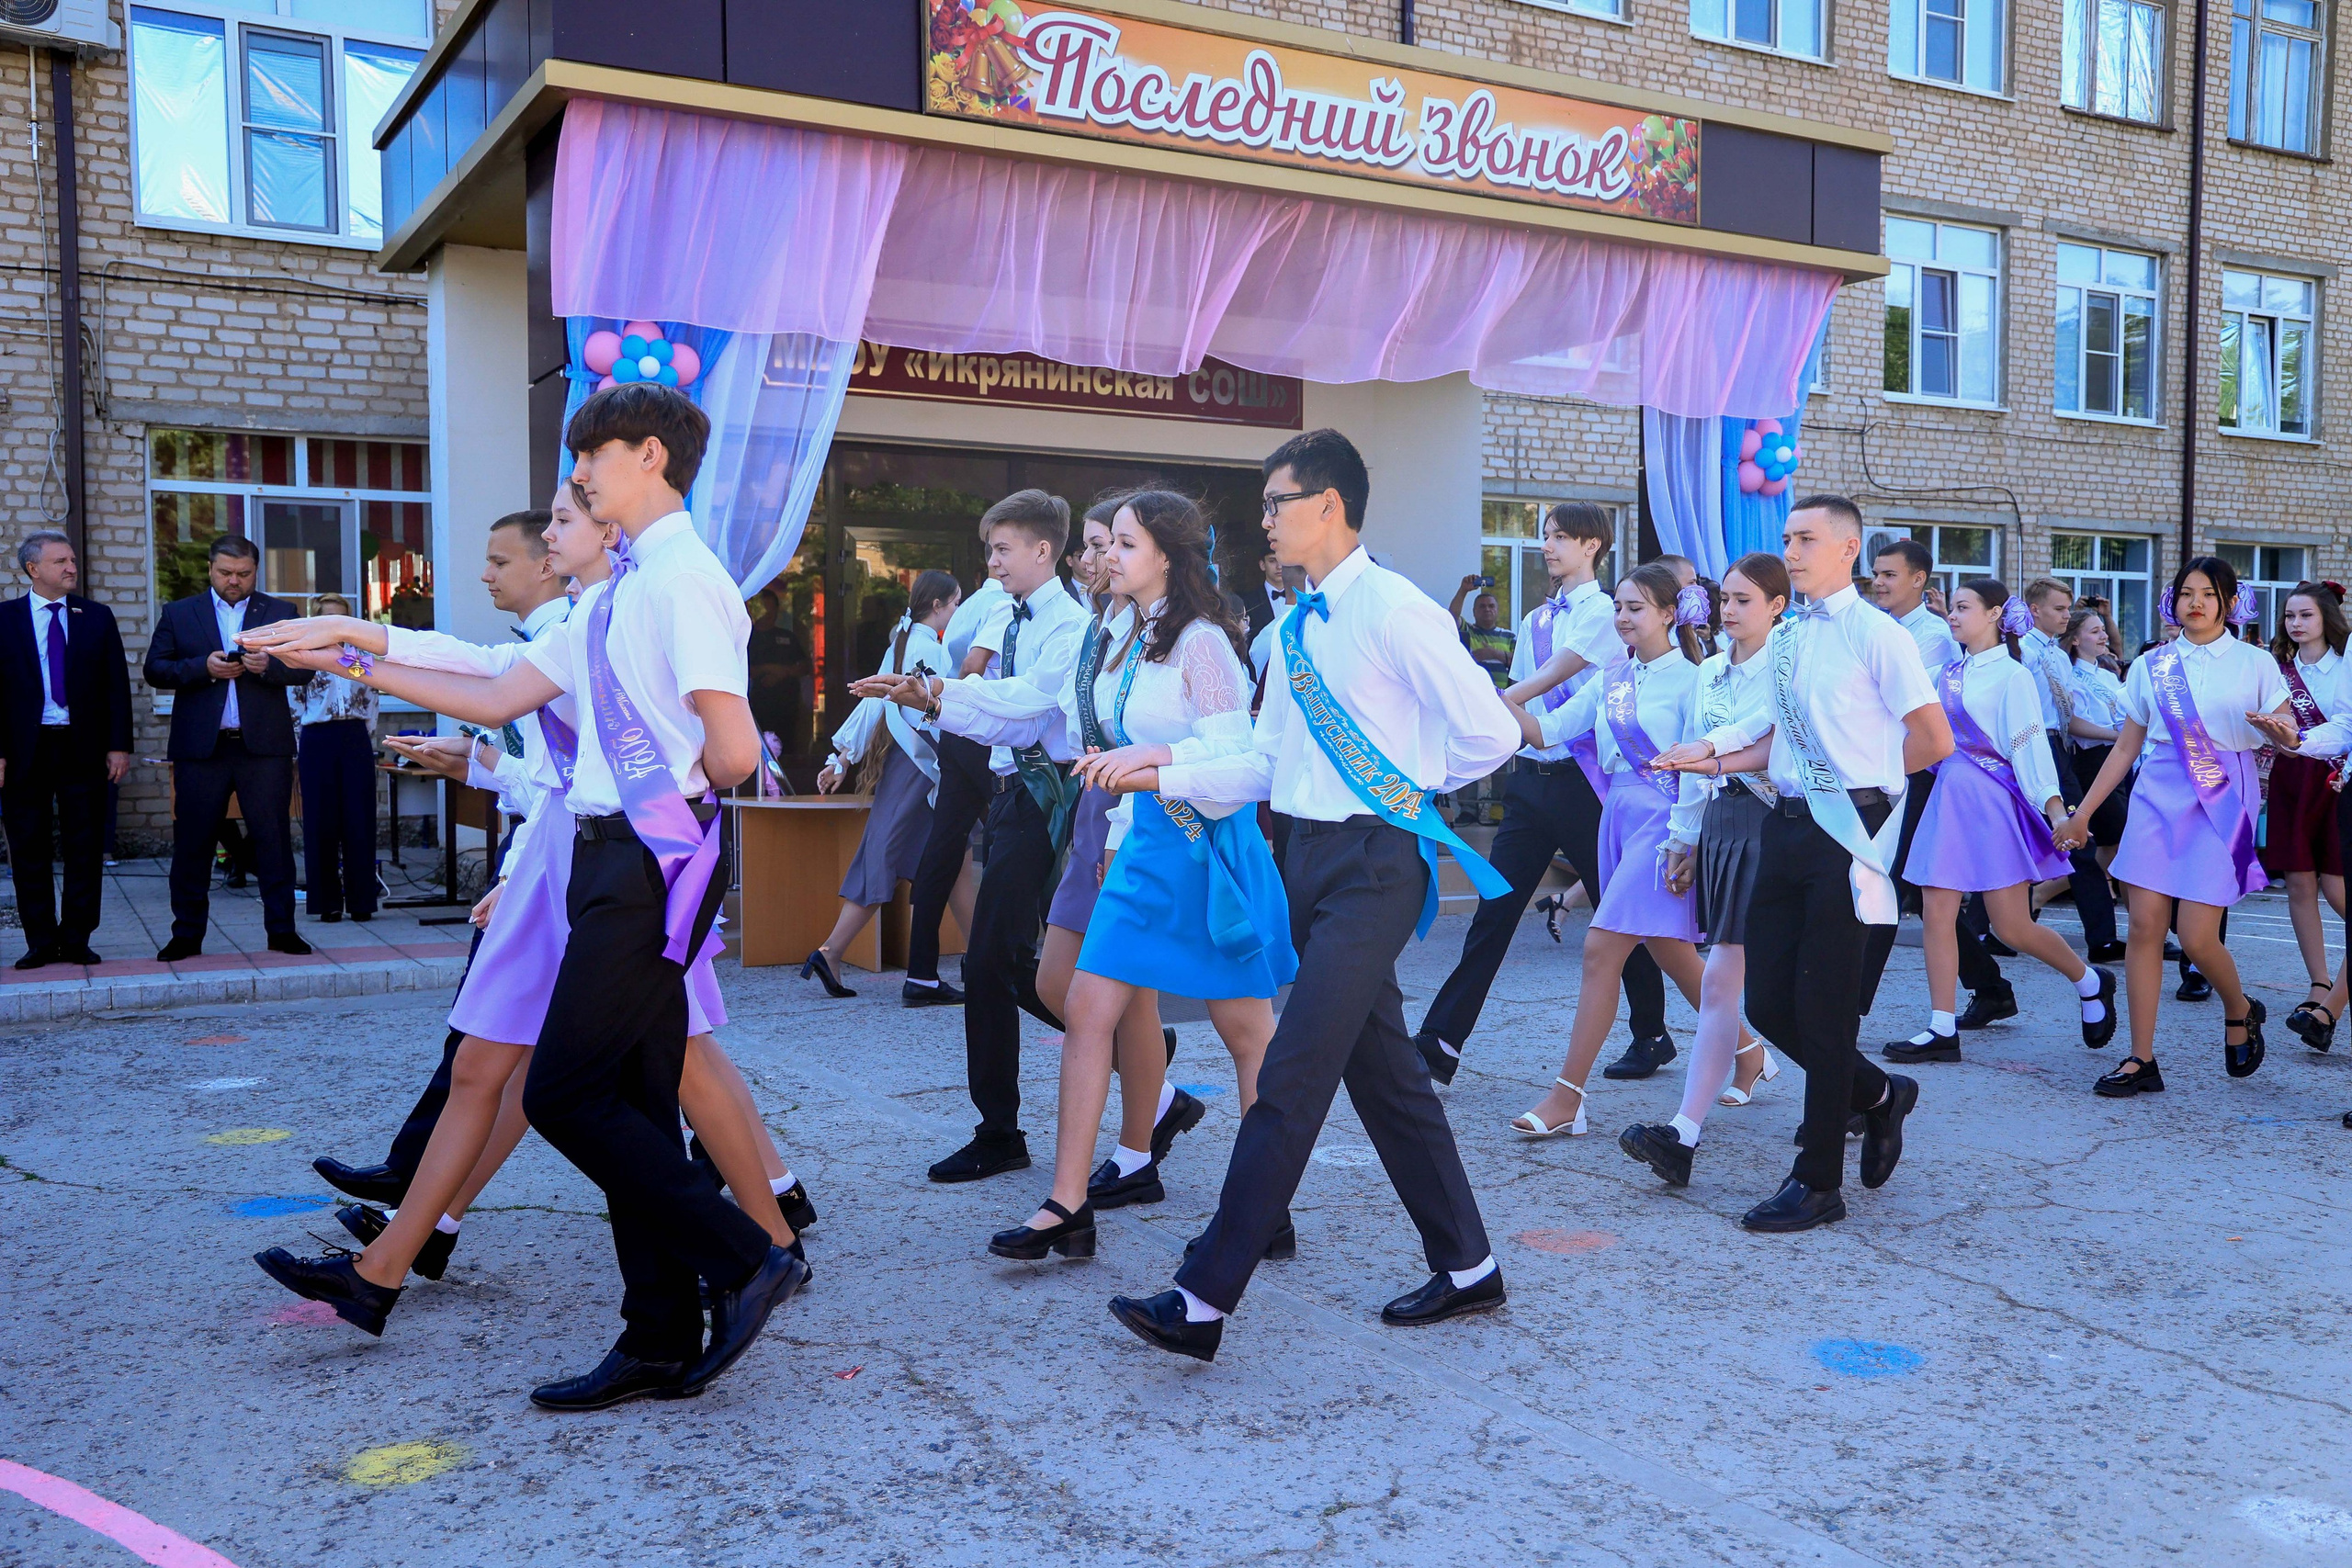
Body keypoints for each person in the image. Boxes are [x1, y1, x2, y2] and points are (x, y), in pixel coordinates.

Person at [245, 383, 800, 1409]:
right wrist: (357, 647)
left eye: (591, 458)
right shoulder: (624, 586)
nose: (578, 477)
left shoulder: (683, 581)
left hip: (648, 858)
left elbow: (731, 753)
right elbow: (500, 684)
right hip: (609, 855)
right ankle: (657, 1337)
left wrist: (659, 784)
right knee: (637, 1101)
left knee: (561, 1094)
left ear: (649, 456)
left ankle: (747, 1255)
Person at [1098, 427, 1520, 1362]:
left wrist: (1406, 788)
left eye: (1275, 502)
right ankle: (1469, 1265)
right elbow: (1263, 761)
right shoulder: (1291, 626)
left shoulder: (1395, 608)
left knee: (1292, 1074)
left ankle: (1203, 1297)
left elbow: (1491, 731)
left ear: (1327, 505)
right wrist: (1162, 770)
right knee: (1388, 1078)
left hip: (1376, 863)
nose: (1264, 520)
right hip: (1310, 858)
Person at [989, 491, 1296, 1264]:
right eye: (1108, 543)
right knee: (1086, 1007)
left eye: (1124, 544)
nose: (1106, 556)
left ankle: (1264, 1207)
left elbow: (1240, 766)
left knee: (1246, 1033)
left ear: (1166, 554)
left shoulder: (1203, 643)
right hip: (1141, 848)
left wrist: (1157, 760)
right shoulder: (1123, 632)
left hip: (1206, 850)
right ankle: (1067, 1203)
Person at [1664, 494, 1953, 1234]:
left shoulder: (1879, 635)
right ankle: (1881, 1095)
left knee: (1824, 1012)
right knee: (1767, 1004)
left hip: (1846, 833)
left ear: (1848, 549)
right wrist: (1711, 756)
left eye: (1806, 539)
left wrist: (1868, 793)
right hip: (1786, 825)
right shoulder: (1790, 634)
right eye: (1788, 537)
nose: (1790, 550)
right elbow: (1776, 739)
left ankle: (1818, 1181)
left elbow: (1933, 739)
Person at [852, 490, 1091, 1186]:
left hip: (1046, 795)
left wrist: (936, 694)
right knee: (1005, 963)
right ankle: (1139, 1060)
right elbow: (991, 715)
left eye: (1003, 548)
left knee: (990, 961)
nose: (992, 561)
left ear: (1043, 550)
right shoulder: (1002, 612)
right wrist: (932, 697)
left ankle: (1001, 1132)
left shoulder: (1070, 625)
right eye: (990, 549)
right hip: (1009, 792)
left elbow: (1026, 709)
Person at [1413, 503, 1674, 1087]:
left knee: (1617, 912)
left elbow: (1553, 675)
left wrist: (1485, 696)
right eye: (1546, 536)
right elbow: (1522, 703)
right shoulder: (1534, 617)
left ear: (1593, 546)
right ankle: (1440, 1042)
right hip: (1532, 781)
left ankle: (1652, 1033)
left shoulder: (1607, 611)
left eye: (1560, 537)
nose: (1548, 546)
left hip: (1586, 783)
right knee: (1495, 911)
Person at [1497, 565, 1745, 1144]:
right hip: (1619, 819)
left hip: (1664, 822)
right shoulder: (1613, 676)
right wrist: (1495, 700)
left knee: (1600, 949)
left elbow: (1698, 770)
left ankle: (1568, 1098)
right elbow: (1547, 732)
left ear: (1668, 614)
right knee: (1671, 954)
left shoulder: (1696, 679)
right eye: (1619, 608)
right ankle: (1750, 1051)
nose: (1623, 618)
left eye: (1635, 608)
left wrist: (1687, 840)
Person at [2064, 556, 2290, 1098]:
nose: (2196, 603)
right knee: (2144, 926)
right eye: (2187, 592)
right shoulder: (2153, 665)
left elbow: (2287, 730)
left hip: (2221, 793)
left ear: (2229, 603)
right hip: (2158, 792)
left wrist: (2277, 730)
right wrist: (2083, 812)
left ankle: (2239, 1007)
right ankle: (2140, 1059)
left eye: (2209, 594)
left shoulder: (2255, 662)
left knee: (2195, 935)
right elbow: (2126, 746)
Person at [1882, 579, 2115, 1065]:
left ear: (1993, 614)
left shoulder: (2013, 675)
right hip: (1948, 799)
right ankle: (1941, 1027)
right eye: (1952, 607)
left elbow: (2029, 747)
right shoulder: (1946, 673)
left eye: (1963, 607)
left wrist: (2056, 811)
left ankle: (2090, 980)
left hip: (1990, 803)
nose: (1952, 615)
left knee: (2012, 927)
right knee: (1937, 912)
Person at [1620, 553, 1790, 1187]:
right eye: (1726, 599)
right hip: (1724, 824)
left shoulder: (1789, 663)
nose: (1730, 610)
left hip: (1781, 825)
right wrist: (1682, 839)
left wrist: (1711, 752)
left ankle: (1861, 1090)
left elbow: (1763, 731)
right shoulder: (1711, 670)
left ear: (1777, 606)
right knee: (1720, 982)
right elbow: (1692, 766)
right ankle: (1683, 1133)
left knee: (1791, 987)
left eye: (1746, 600)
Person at [143, 535, 310, 961]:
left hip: (264, 748)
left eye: (243, 573)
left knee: (274, 841)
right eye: (225, 573)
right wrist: (202, 667)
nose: (234, 581)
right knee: (193, 844)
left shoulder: (280, 612)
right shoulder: (180, 613)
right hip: (202, 748)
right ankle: (186, 935)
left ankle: (282, 931)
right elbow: (155, 669)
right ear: (210, 569)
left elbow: (305, 668)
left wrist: (269, 666)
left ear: (256, 571)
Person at [801, 569, 963, 997]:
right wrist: (842, 757)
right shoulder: (930, 650)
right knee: (902, 857)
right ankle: (832, 950)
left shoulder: (905, 642)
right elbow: (929, 709)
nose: (958, 611)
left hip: (912, 765)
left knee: (944, 859)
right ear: (937, 605)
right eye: (955, 603)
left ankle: (833, 952)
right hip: (920, 767)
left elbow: (873, 702)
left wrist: (842, 758)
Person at [0, 530, 130, 966]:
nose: (72, 567)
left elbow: (116, 686)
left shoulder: (96, 617)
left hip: (83, 747)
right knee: (28, 847)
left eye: (72, 560)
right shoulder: (5, 618)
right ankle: (40, 941)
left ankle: (76, 938)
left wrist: (119, 746)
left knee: (86, 846)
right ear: (33, 569)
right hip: (26, 749)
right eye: (61, 561)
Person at [900, 570, 1009, 1007]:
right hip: (983, 731)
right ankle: (997, 961)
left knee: (943, 849)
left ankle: (921, 973)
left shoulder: (973, 606)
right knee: (1014, 837)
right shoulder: (1004, 604)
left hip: (956, 732)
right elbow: (971, 668)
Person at [2255, 581, 2347, 1039]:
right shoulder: (2276, 670)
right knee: (2299, 882)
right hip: (2293, 778)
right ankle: (2319, 984)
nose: (2296, 623)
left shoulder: (2346, 665)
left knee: (2336, 886)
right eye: (2289, 615)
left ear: (2326, 617)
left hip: (2337, 781)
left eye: (2306, 614)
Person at [2018, 578, 2126, 963]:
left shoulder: (2057, 656)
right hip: (2032, 744)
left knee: (2079, 839)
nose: (2066, 615)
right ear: (2035, 610)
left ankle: (2101, 938)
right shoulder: (2023, 652)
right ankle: (1991, 927)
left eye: (2068, 609)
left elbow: (2068, 717)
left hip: (2058, 747)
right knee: (2028, 837)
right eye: (2059, 609)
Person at [290, 592, 379, 925]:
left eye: (340, 618)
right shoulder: (303, 656)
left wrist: (364, 735)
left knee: (359, 818)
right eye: (327, 617)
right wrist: (299, 745)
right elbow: (294, 703)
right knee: (320, 821)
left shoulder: (359, 655)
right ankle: (326, 902)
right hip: (317, 737)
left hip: (354, 735)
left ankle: (361, 901)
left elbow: (372, 696)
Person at [2060, 604, 2132, 881]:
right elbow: (2074, 723)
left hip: (2120, 757)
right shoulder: (2069, 675)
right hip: (2093, 761)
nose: (2103, 637)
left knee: (2113, 842)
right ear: (2076, 639)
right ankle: (2047, 891)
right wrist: (2116, 735)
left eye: (2103, 630)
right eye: (2094, 632)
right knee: (2117, 837)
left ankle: (2085, 889)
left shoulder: (2108, 675)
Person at [1447, 576, 1516, 690]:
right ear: (1474, 611)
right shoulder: (1467, 630)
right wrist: (1463, 590)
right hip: (1473, 693)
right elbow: (1451, 617)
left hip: (1504, 696)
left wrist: (1494, 653)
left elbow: (1519, 664)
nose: (1487, 609)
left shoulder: (1509, 636)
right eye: (1482, 606)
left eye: (1491, 606)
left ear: (1497, 611)